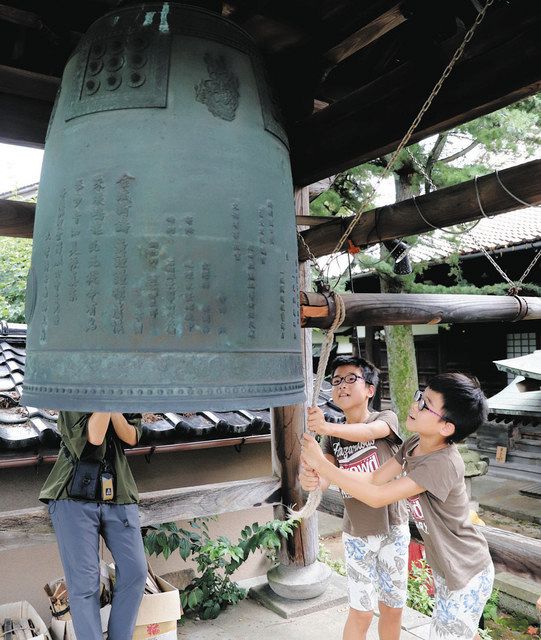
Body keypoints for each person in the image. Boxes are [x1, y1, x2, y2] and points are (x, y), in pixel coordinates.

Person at [302, 372, 494, 640]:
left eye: (426, 405)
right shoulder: (415, 444)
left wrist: (323, 466)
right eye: (420, 397)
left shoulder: (442, 463)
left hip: (466, 570)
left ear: (447, 428)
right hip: (447, 569)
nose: (415, 405)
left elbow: (377, 497)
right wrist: (324, 471)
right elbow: (374, 478)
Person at [299, 356, 409, 640]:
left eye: (351, 379)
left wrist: (327, 427)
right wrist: (310, 479)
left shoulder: (385, 419)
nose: (341, 386)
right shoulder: (332, 440)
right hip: (357, 534)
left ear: (370, 390)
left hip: (393, 528)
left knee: (392, 607)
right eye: (336, 381)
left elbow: (369, 432)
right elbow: (323, 476)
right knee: (361, 611)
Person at [40, 412, 148, 640]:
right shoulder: (71, 394)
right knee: (85, 583)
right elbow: (94, 438)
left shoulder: (123, 389)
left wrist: (115, 404)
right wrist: (106, 399)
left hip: (118, 492)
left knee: (135, 571)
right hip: (72, 495)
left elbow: (132, 436)